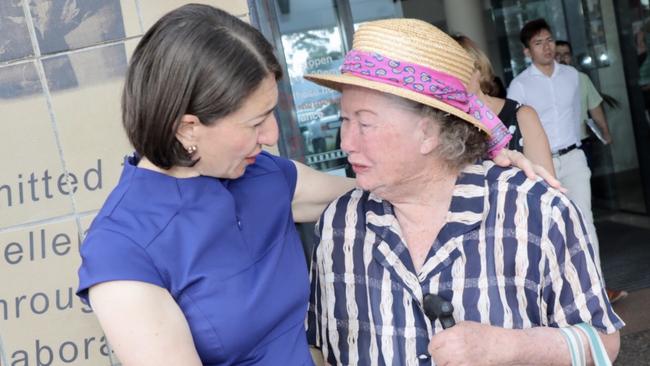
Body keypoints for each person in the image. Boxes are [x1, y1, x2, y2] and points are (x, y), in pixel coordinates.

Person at [75, 5, 544, 366]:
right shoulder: (123, 249)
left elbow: (389, 190)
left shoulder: (260, 176)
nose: (272, 137)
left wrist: (480, 164)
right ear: (187, 127)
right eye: (256, 122)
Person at [305, 18, 622, 365]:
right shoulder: (339, 225)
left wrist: (512, 348)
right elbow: (322, 349)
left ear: (428, 133)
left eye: (364, 123)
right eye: (344, 121)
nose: (345, 142)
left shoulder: (536, 210)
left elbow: (602, 343)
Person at [507, 19, 625, 305]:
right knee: (549, 227)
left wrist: (604, 131)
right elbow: (512, 128)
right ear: (526, 51)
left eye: (549, 40)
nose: (546, 47)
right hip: (540, 164)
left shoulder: (573, 76)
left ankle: (597, 289)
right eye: (538, 43)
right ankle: (561, 295)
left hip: (573, 157)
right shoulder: (519, 85)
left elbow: (591, 108)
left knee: (585, 221)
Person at [454, 34, 555, 176]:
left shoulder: (522, 115)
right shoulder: (444, 124)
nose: (453, 80)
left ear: (478, 69)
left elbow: (548, 184)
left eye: (460, 70)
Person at [555, 39, 614, 168]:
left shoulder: (581, 78)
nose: (563, 59)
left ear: (570, 57)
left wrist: (605, 132)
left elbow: (595, 109)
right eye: (558, 55)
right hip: (556, 148)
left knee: (585, 181)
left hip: (581, 142)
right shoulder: (546, 84)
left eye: (566, 54)